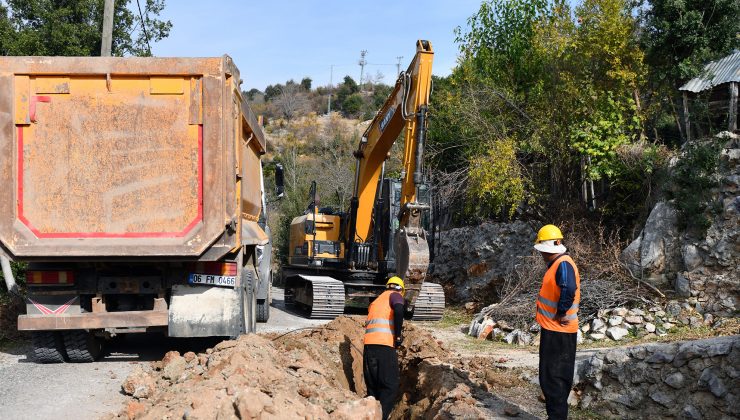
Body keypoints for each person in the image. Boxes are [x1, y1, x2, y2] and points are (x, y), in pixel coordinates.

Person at [533, 224, 580, 420]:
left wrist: (561, 311)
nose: (541, 255)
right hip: (554, 329)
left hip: (559, 330)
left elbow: (568, 289)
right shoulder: (558, 264)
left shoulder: (563, 264)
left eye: (543, 250)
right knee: (550, 378)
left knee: (555, 379)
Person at [363, 276, 406, 420]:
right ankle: (382, 417)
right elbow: (399, 310)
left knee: (373, 387)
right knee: (389, 386)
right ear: (400, 289)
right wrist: (398, 336)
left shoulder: (376, 300)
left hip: (369, 347)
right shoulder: (395, 295)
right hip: (384, 346)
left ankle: (370, 415)